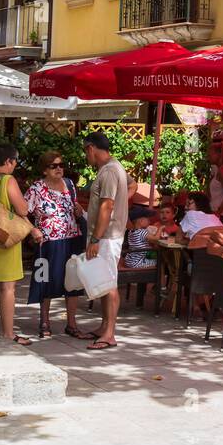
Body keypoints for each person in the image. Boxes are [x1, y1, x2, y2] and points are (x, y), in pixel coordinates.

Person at [0, 144, 43, 345]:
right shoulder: (8, 180)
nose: (15, 165)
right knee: (8, 288)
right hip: (5, 239)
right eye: (14, 161)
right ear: (8, 161)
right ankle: (8, 333)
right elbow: (23, 208)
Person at [25, 150, 90, 339]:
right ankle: (44, 321)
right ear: (44, 170)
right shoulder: (36, 188)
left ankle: (72, 324)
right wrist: (32, 230)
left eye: (61, 165)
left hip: (72, 239)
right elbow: (22, 212)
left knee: (73, 281)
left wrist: (79, 210)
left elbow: (74, 209)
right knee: (45, 279)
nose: (59, 169)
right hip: (48, 242)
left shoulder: (69, 184)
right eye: (54, 166)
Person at [83, 130, 131, 350]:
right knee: (103, 281)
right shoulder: (114, 167)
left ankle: (109, 333)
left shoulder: (109, 172)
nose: (86, 156)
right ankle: (104, 327)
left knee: (109, 282)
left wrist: (95, 237)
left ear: (91, 148)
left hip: (107, 236)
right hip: (109, 234)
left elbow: (107, 205)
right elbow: (131, 186)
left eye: (86, 151)